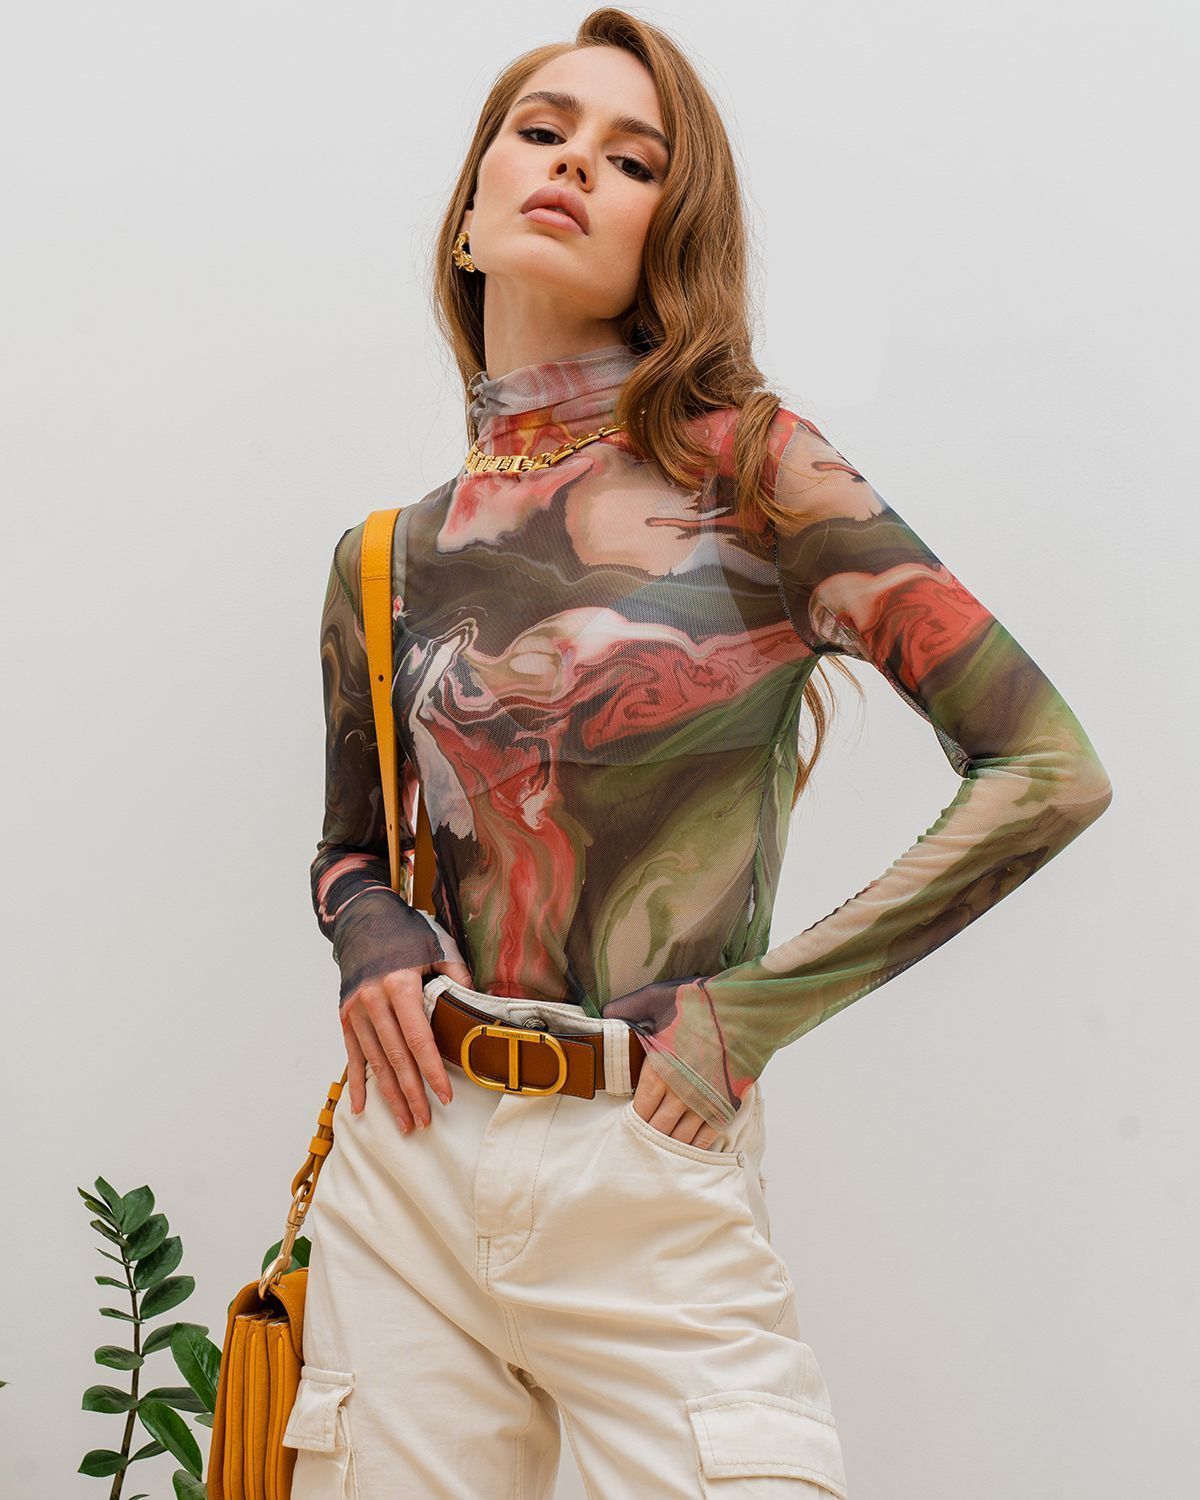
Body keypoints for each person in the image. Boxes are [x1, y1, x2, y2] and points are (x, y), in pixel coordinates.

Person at [285, 11, 1113, 1498]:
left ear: (670, 238)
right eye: (543, 132)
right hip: (407, 1157)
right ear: (469, 214)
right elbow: (350, 844)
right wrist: (365, 926)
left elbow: (1046, 768)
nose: (574, 166)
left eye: (632, 160)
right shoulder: (381, 559)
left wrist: (751, 1014)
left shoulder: (759, 474)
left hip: (647, 1163)